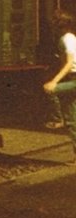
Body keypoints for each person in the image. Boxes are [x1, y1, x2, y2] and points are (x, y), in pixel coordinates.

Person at [43, 10, 76, 163]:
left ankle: (57, 119)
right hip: (72, 78)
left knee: (50, 89)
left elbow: (69, 63)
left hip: (74, 78)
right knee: (73, 119)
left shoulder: (66, 39)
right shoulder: (70, 38)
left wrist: (55, 81)